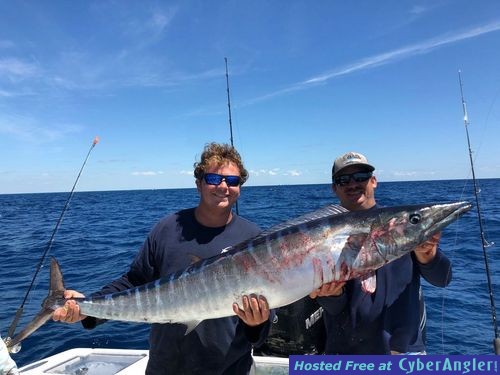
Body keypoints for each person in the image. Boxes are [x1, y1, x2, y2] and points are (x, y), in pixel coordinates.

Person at [53, 142, 272, 375]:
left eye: (232, 181)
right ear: (198, 183)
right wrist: (87, 307)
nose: (223, 186)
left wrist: (256, 323)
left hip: (229, 369)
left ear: (240, 187)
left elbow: (263, 323)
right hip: (166, 367)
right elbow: (135, 281)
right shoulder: (168, 228)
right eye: (213, 179)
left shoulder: (253, 238)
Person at [309, 151, 452, 354]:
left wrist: (428, 255)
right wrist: (330, 296)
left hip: (403, 351)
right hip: (345, 352)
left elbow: (442, 279)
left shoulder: (402, 224)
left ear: (373, 181)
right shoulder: (323, 237)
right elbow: (334, 308)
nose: (353, 184)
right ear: (334, 188)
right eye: (344, 180)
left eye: (361, 177)